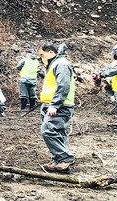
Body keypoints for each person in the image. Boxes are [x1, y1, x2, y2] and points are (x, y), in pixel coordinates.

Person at [37, 43, 76, 173]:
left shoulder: (61, 64)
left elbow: (63, 86)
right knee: (58, 133)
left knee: (48, 130)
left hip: (60, 106)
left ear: (51, 53)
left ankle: (65, 159)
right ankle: (59, 161)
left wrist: (54, 104)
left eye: (42, 55)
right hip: (52, 105)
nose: (41, 58)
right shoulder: (55, 64)